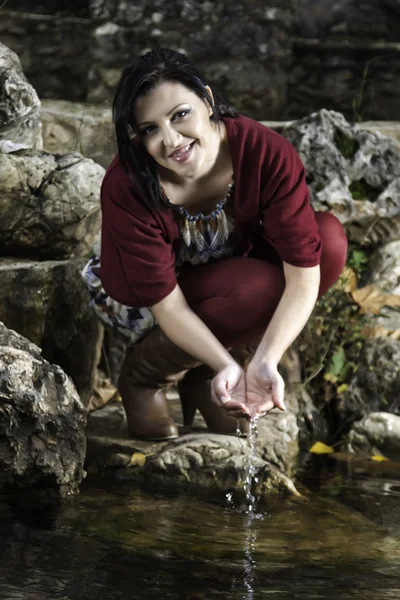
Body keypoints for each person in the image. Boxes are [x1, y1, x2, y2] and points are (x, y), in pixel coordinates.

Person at [82, 47, 347, 441]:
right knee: (258, 287)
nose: (171, 140)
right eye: (150, 129)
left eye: (180, 114)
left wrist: (262, 362)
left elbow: (305, 273)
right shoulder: (129, 184)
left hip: (228, 272)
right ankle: (144, 376)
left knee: (328, 243)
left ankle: (203, 374)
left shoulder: (265, 153)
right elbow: (166, 301)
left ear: (207, 101)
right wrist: (230, 365)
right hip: (152, 296)